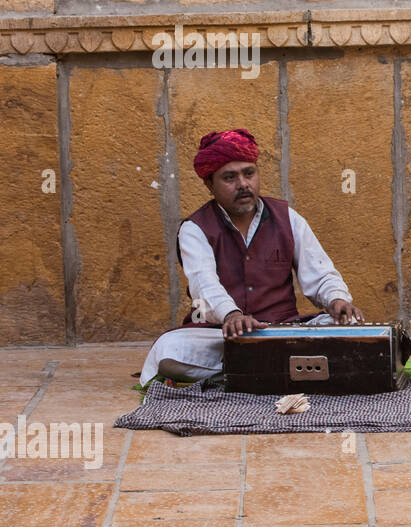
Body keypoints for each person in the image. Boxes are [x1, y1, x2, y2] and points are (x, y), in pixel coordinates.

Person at [138, 129, 364, 385]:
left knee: (348, 324)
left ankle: (250, 368)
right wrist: (231, 315)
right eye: (230, 177)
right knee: (169, 350)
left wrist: (336, 300)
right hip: (221, 335)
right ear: (209, 184)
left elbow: (320, 272)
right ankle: (283, 367)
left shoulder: (287, 218)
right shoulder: (195, 228)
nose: (243, 184)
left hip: (281, 331)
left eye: (249, 173)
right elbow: (203, 285)